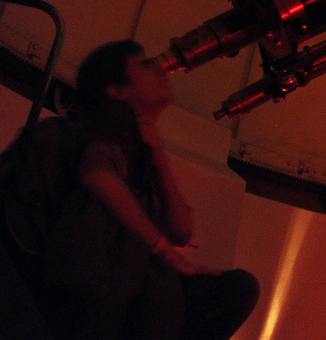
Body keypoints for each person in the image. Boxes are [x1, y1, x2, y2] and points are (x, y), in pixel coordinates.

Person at [39, 40, 258, 340]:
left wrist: (157, 154)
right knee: (237, 290)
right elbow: (98, 174)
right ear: (117, 91)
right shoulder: (114, 121)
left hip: (132, 299)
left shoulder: (141, 142)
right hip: (107, 298)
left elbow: (181, 232)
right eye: (144, 65)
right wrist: (165, 252)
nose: (159, 68)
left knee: (237, 288)